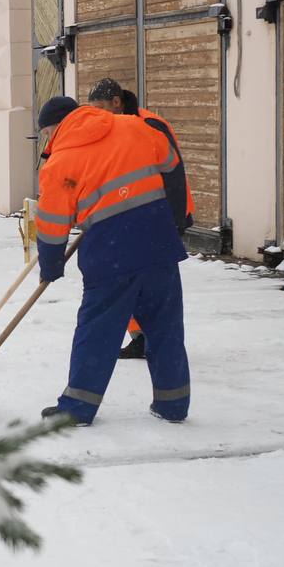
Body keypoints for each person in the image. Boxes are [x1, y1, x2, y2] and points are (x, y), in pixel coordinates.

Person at [34, 95, 191, 425]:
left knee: (98, 331)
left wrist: (50, 265)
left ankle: (77, 408)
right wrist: (173, 218)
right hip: (158, 242)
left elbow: (51, 223)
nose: (47, 141)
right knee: (166, 328)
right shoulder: (134, 127)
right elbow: (170, 162)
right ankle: (173, 404)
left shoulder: (60, 163)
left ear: (54, 128)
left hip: (111, 252)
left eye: (46, 133)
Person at [88, 79, 196, 360]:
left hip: (161, 217)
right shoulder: (110, 130)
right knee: (125, 277)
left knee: (152, 285)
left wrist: (172, 222)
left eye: (101, 108)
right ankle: (140, 337)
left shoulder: (150, 125)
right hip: (128, 219)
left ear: (116, 102)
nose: (98, 114)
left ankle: (158, 339)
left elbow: (173, 177)